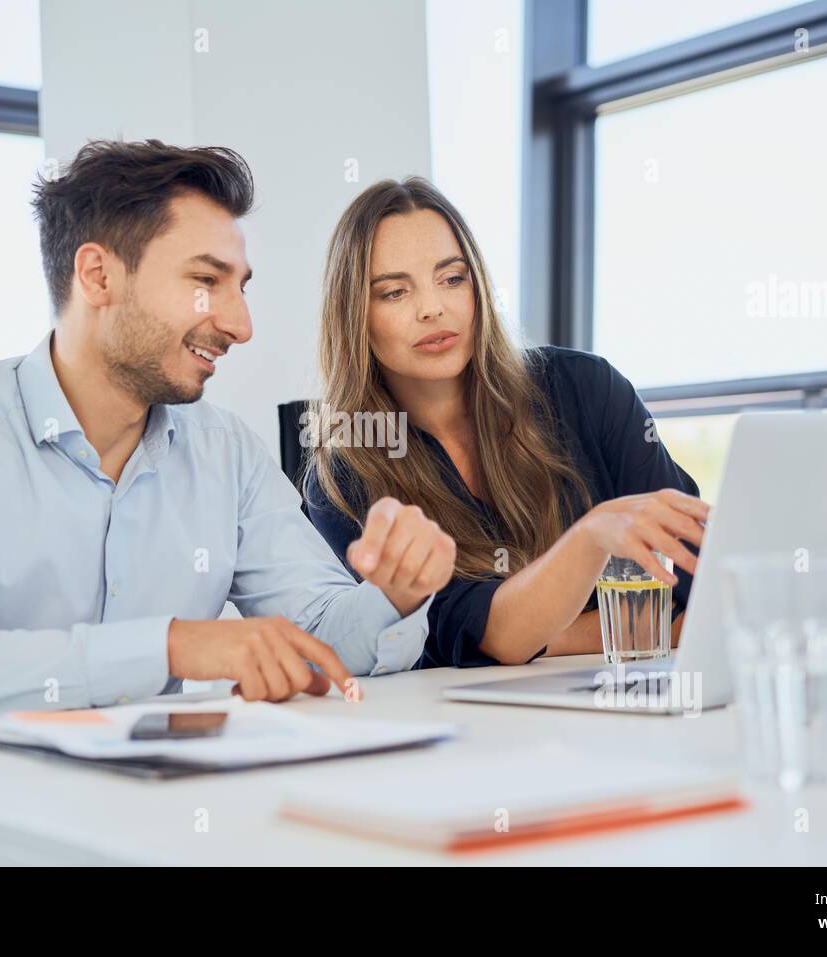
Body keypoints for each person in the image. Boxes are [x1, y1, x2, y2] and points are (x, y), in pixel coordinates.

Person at [0, 141, 457, 728]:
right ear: (98, 276)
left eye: (239, 286)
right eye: (205, 282)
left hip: (145, 812)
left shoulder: (226, 450)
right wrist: (168, 646)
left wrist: (393, 594)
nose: (240, 325)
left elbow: (318, 639)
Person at [303, 177, 707, 669]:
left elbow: (700, 580)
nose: (433, 308)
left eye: (452, 279)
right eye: (394, 292)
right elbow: (486, 637)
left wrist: (560, 634)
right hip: (476, 730)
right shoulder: (346, 475)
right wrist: (595, 539)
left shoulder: (587, 388)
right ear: (354, 316)